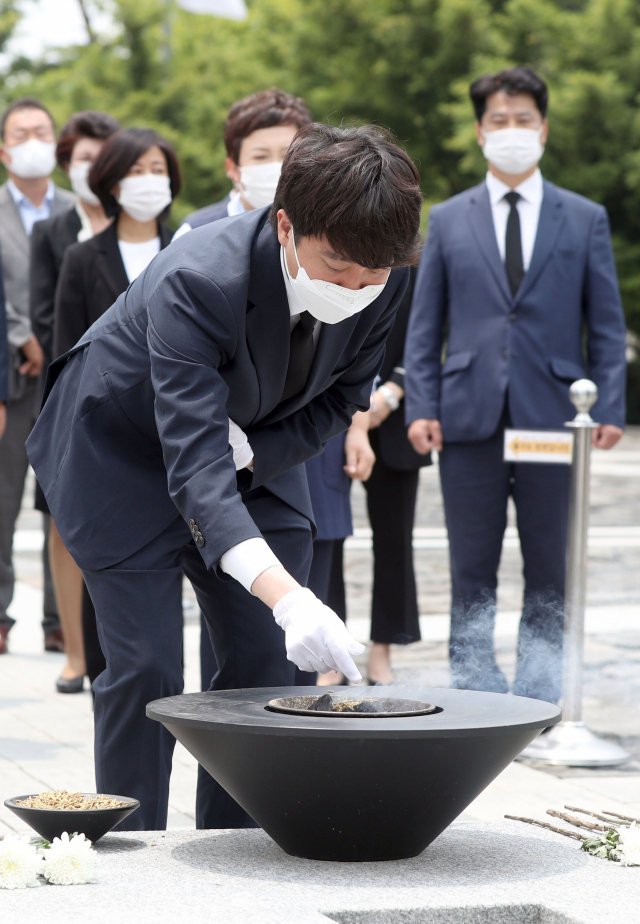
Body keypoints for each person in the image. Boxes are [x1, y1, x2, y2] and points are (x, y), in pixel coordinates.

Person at [27, 123, 423, 831]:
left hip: (251, 448)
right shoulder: (200, 277)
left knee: (269, 664)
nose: (355, 289)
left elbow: (339, 401)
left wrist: (252, 454)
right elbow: (196, 470)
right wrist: (291, 597)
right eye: (337, 268)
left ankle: (237, 848)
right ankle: (135, 849)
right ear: (284, 224)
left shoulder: (381, 274)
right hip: (119, 453)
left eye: (373, 276)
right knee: (147, 667)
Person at [404, 66, 626, 704]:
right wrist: (422, 402)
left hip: (554, 417)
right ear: (479, 132)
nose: (511, 130)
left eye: (522, 119)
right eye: (498, 120)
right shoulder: (445, 219)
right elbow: (426, 326)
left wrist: (607, 403)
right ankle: (473, 686)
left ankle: (541, 688)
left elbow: (605, 326)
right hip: (466, 413)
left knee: (549, 564)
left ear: (544, 130)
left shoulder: (583, 219)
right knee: (470, 563)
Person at [30, 109, 120, 693]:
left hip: (131, 398)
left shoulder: (148, 225)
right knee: (62, 527)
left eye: (100, 155)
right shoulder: (54, 231)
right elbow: (44, 314)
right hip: (65, 390)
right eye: (80, 157)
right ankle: (73, 650)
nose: (90, 167)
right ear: (68, 164)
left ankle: (113, 646)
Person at [0, 97, 75, 656]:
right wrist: (23, 337)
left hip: (66, 374)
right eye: (20, 133)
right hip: (10, 376)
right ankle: (1, 614)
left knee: (62, 499)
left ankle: (60, 619)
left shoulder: (77, 209)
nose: (32, 141)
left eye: (41, 131)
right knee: (2, 499)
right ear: (4, 150)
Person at [53, 127, 178, 358]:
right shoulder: (81, 258)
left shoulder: (184, 247)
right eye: (136, 170)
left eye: (158, 170)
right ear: (113, 182)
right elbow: (67, 347)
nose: (149, 180)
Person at [365, 267, 431, 683]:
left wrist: (391, 393)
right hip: (327, 409)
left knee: (394, 539)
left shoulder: (416, 263)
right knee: (324, 537)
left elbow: (430, 332)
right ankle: (328, 655)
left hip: (396, 415)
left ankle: (383, 649)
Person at [174, 87, 312, 237]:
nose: (277, 167)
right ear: (233, 168)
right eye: (260, 157)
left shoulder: (325, 227)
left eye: (288, 156)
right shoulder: (195, 233)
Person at [304, 413, 375, 688]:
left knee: (320, 566)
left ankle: (321, 675)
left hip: (318, 431)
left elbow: (355, 372)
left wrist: (359, 428)